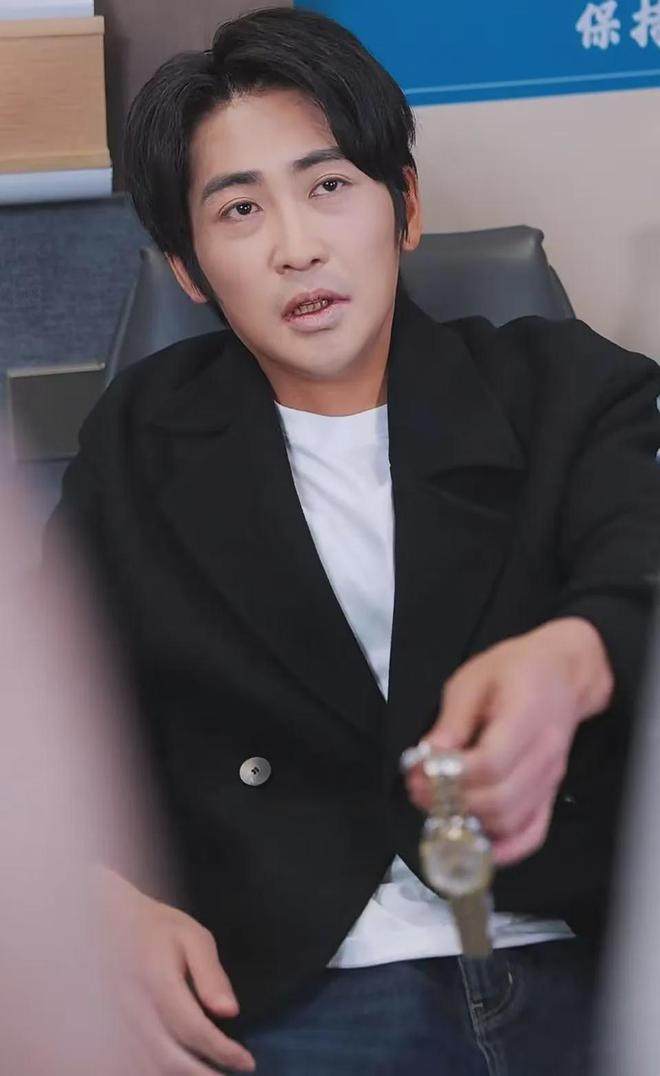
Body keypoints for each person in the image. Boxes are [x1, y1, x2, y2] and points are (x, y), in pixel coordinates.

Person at [48, 7, 660, 1074]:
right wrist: (94, 899)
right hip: (297, 986)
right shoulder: (140, 444)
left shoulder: (565, 387)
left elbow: (638, 560)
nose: (298, 246)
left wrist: (574, 658)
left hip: (576, 955)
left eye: (330, 185)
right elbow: (36, 702)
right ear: (188, 267)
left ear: (405, 206)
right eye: (240, 208)